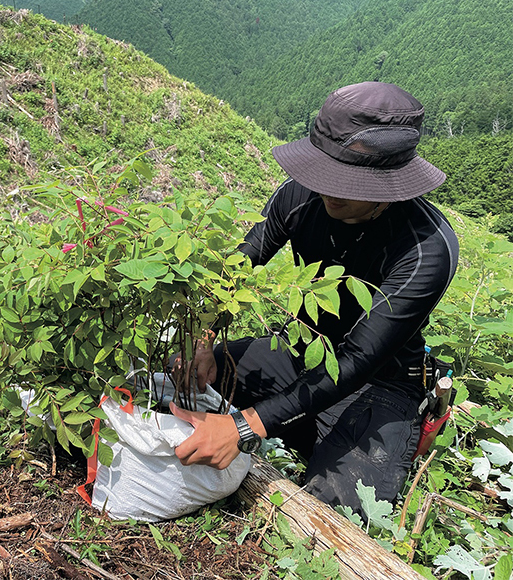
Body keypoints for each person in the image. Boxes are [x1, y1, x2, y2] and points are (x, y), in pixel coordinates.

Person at [170, 81, 459, 513]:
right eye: (324, 171)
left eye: (347, 181)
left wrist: (244, 426)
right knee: (181, 388)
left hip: (379, 383)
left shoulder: (426, 248)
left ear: (387, 183)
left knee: (335, 507)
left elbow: (358, 359)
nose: (328, 190)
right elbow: (240, 267)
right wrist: (204, 340)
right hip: (299, 349)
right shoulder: (300, 196)